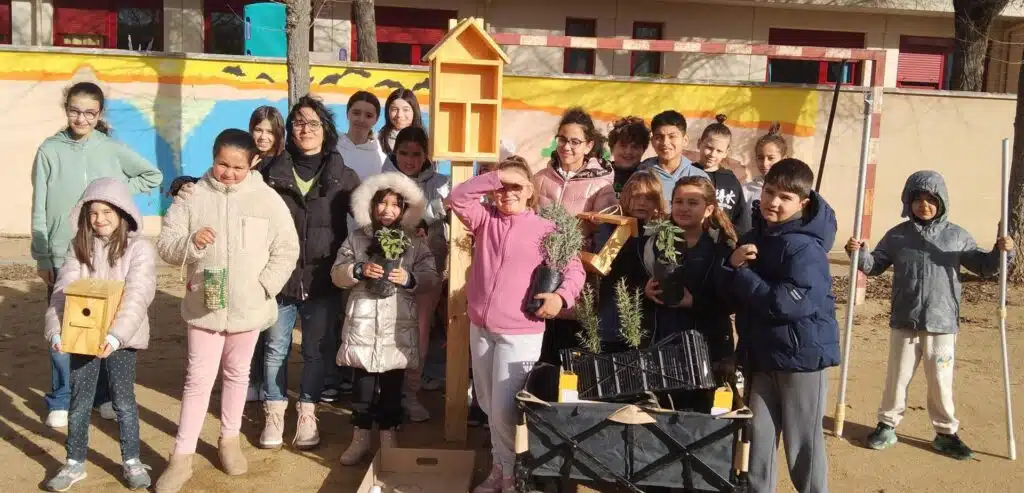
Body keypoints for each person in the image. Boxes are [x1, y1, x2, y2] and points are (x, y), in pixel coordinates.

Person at [153, 129, 300, 493]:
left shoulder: (267, 199)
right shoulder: (192, 196)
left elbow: (287, 248)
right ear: (213, 158)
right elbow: (167, 246)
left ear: (254, 163)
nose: (229, 173)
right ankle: (181, 456)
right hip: (204, 305)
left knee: (237, 375)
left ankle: (229, 440)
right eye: (222, 164)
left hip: (248, 307)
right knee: (197, 379)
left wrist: (263, 286)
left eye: (238, 167)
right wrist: (192, 243)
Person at [846, 170, 1014, 460]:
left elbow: (984, 267)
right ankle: (887, 425)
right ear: (908, 202)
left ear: (942, 201)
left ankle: (945, 432)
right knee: (897, 376)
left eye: (931, 200)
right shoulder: (897, 236)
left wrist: (1002, 253)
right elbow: (874, 265)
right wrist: (859, 254)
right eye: (918, 199)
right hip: (905, 319)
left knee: (940, 380)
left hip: (942, 322)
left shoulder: (956, 236)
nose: (924, 205)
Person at [449, 156, 586, 493]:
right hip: (481, 327)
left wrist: (561, 298)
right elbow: (457, 197)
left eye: (516, 186)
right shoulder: (485, 219)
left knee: (504, 408)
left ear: (530, 191)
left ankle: (512, 476)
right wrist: (497, 177)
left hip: (520, 332)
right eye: (501, 186)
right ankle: (501, 467)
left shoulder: (546, 229)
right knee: (486, 402)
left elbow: (575, 270)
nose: (507, 192)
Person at [32, 81, 163, 429]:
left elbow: (152, 176)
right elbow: (39, 206)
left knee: (101, 325)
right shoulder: (49, 151)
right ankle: (62, 397)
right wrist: (42, 255)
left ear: (100, 113)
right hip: (65, 253)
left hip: (106, 253)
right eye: (75, 111)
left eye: (90, 112)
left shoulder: (111, 148)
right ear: (66, 110)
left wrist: (113, 194)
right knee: (65, 326)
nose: (82, 118)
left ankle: (103, 396)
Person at [718, 158, 838, 493]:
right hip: (760, 355)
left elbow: (787, 303)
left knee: (803, 446)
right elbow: (731, 294)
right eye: (770, 192)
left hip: (800, 360)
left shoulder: (807, 248)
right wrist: (730, 267)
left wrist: (742, 273)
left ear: (803, 203)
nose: (773, 201)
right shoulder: (754, 236)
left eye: (785, 197)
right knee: (758, 441)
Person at [42, 178, 158, 492]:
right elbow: (63, 292)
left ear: (122, 212)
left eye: (107, 211)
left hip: (121, 340)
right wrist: (56, 331)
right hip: (83, 337)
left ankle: (131, 460)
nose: (100, 219)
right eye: (93, 212)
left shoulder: (139, 249)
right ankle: (74, 462)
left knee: (123, 401)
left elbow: (138, 295)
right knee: (80, 402)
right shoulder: (79, 247)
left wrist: (116, 335)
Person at [260, 95, 362, 449]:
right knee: (275, 348)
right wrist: (186, 184)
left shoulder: (343, 175)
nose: (306, 129)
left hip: (322, 279)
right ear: (290, 129)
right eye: (299, 123)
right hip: (279, 278)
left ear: (326, 129)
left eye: (313, 123)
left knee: (317, 350)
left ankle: (307, 412)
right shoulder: (270, 172)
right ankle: (274, 414)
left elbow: (369, 212)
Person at [333, 172, 438, 464]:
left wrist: (410, 278)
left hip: (397, 326)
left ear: (405, 209)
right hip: (363, 323)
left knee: (393, 383)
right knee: (362, 384)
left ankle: (389, 435)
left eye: (395, 204)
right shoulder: (357, 238)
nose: (387, 210)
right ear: (370, 205)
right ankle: (360, 437)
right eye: (381, 202)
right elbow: (337, 272)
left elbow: (431, 276)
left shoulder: (414, 241)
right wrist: (357, 270)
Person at [643, 176, 738, 409]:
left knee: (702, 415)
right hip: (664, 344)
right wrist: (646, 290)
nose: (684, 208)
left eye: (693, 203)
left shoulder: (722, 248)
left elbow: (732, 300)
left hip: (709, 348)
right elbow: (629, 284)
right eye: (679, 201)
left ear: (709, 209)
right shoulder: (654, 243)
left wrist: (694, 302)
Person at [532, 107, 616, 366]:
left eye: (575, 142)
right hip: (538, 273)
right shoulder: (539, 178)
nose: (566, 147)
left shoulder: (601, 184)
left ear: (589, 145)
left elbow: (608, 229)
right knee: (537, 357)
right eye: (562, 139)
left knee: (570, 359)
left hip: (578, 278)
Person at [382, 126, 450, 423]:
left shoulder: (443, 183)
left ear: (426, 155)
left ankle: (410, 395)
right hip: (390, 268)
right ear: (394, 152)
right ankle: (388, 395)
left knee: (420, 333)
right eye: (403, 153)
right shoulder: (383, 180)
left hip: (428, 268)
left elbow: (453, 212)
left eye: (416, 154)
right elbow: (374, 218)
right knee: (389, 331)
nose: (409, 160)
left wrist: (429, 217)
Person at [593, 171, 665, 353]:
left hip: (649, 320)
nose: (642, 203)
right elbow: (610, 271)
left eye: (649, 198)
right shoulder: (611, 228)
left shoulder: (662, 231)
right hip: (613, 316)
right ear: (625, 198)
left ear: (658, 202)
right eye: (636, 196)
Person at [245, 105, 287, 402]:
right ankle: (251, 378)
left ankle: (268, 384)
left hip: (273, 251)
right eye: (258, 130)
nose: (263, 136)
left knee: (271, 326)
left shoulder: (283, 164)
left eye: (269, 131)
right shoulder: (243, 160)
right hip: (247, 249)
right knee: (248, 323)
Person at [693, 114, 752, 235]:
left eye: (719, 151)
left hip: (723, 242)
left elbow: (741, 218)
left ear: (726, 152)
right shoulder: (688, 173)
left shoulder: (730, 180)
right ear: (699, 143)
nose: (712, 154)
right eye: (709, 147)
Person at [638, 110, 709, 203]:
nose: (665, 143)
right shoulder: (642, 172)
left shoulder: (698, 176)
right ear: (652, 141)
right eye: (659, 137)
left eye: (672, 136)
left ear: (685, 140)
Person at [338, 90, 387, 182]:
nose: (361, 120)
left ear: (376, 120)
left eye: (368, 116)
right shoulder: (331, 145)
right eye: (356, 113)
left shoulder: (381, 160)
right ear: (347, 114)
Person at [744, 122, 787, 202]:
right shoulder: (746, 190)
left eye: (771, 158)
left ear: (783, 159)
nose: (764, 163)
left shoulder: (790, 190)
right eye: (760, 158)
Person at [608, 116, 650, 196]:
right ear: (612, 148)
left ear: (643, 150)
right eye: (623, 146)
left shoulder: (649, 178)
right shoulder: (601, 174)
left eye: (635, 147)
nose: (628, 152)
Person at [379, 88, 424, 155]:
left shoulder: (425, 142)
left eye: (405, 110)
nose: (399, 115)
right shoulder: (378, 141)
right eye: (394, 109)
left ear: (414, 111)